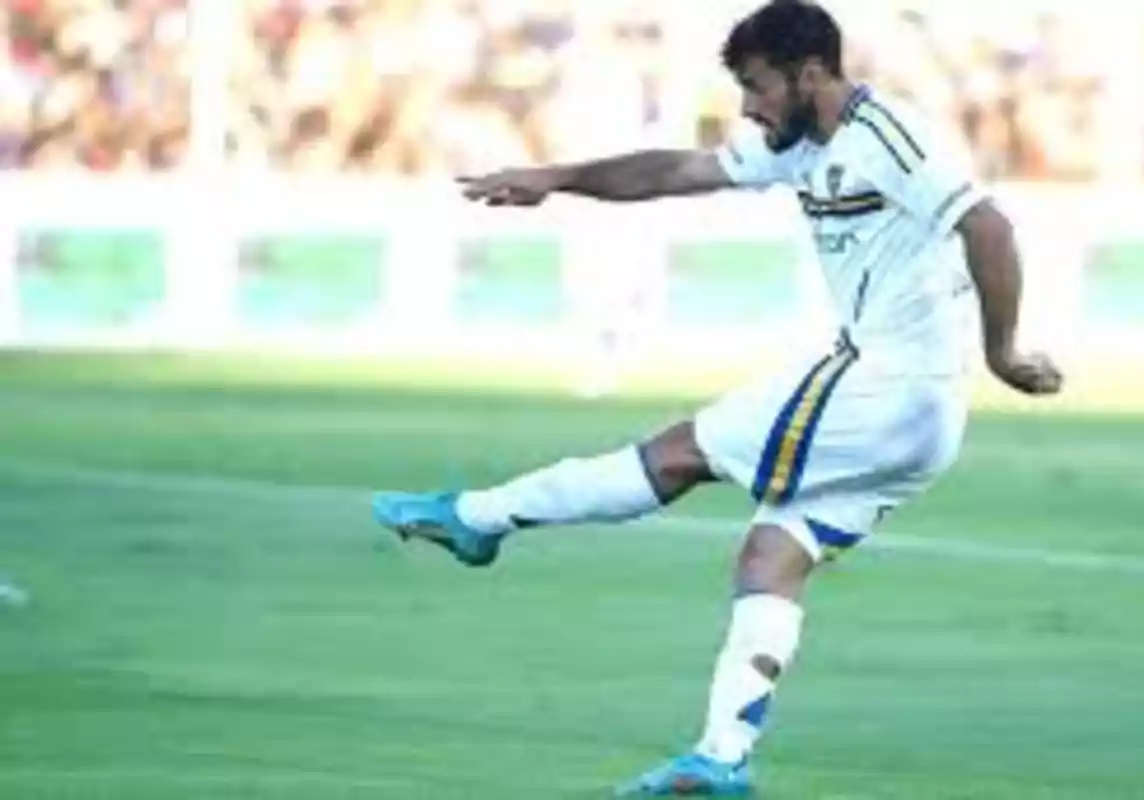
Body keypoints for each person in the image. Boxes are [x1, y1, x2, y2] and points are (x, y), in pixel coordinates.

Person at [373, 1, 1063, 795]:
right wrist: (558, 179)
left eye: (759, 86)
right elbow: (674, 172)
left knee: (676, 455)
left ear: (811, 75)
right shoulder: (799, 144)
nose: (747, 106)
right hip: (917, 421)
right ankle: (720, 762)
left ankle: (477, 519)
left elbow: (991, 227)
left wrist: (1004, 352)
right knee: (771, 558)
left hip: (885, 385)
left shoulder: (886, 137)